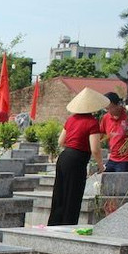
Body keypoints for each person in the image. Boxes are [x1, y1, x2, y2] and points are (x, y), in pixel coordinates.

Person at [47, 88, 108, 226]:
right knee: (73, 194)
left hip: (64, 157)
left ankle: (54, 223)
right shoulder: (92, 122)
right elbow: (95, 149)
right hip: (77, 159)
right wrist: (100, 166)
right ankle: (68, 224)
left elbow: (61, 141)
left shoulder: (71, 119)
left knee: (60, 192)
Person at [100, 92, 128, 172]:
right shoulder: (106, 117)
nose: (109, 111)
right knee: (104, 182)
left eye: (111, 108)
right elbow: (101, 134)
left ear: (118, 104)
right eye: (106, 109)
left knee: (121, 183)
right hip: (112, 158)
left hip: (127, 159)